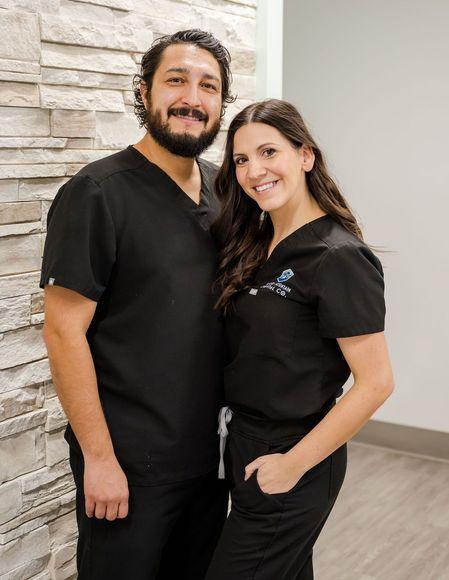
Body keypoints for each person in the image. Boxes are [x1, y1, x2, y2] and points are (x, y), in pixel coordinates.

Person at [40, 29, 233, 580]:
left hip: (209, 459)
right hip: (128, 465)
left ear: (221, 104)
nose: (192, 98)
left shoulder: (226, 194)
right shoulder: (98, 193)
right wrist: (99, 460)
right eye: (176, 80)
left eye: (209, 86)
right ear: (144, 92)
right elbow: (62, 332)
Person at [206, 99, 395, 580]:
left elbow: (376, 383)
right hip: (245, 448)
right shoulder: (256, 241)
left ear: (305, 155)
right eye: (242, 160)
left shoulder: (338, 256)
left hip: (295, 456)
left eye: (269, 152)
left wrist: (292, 465)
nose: (254, 170)